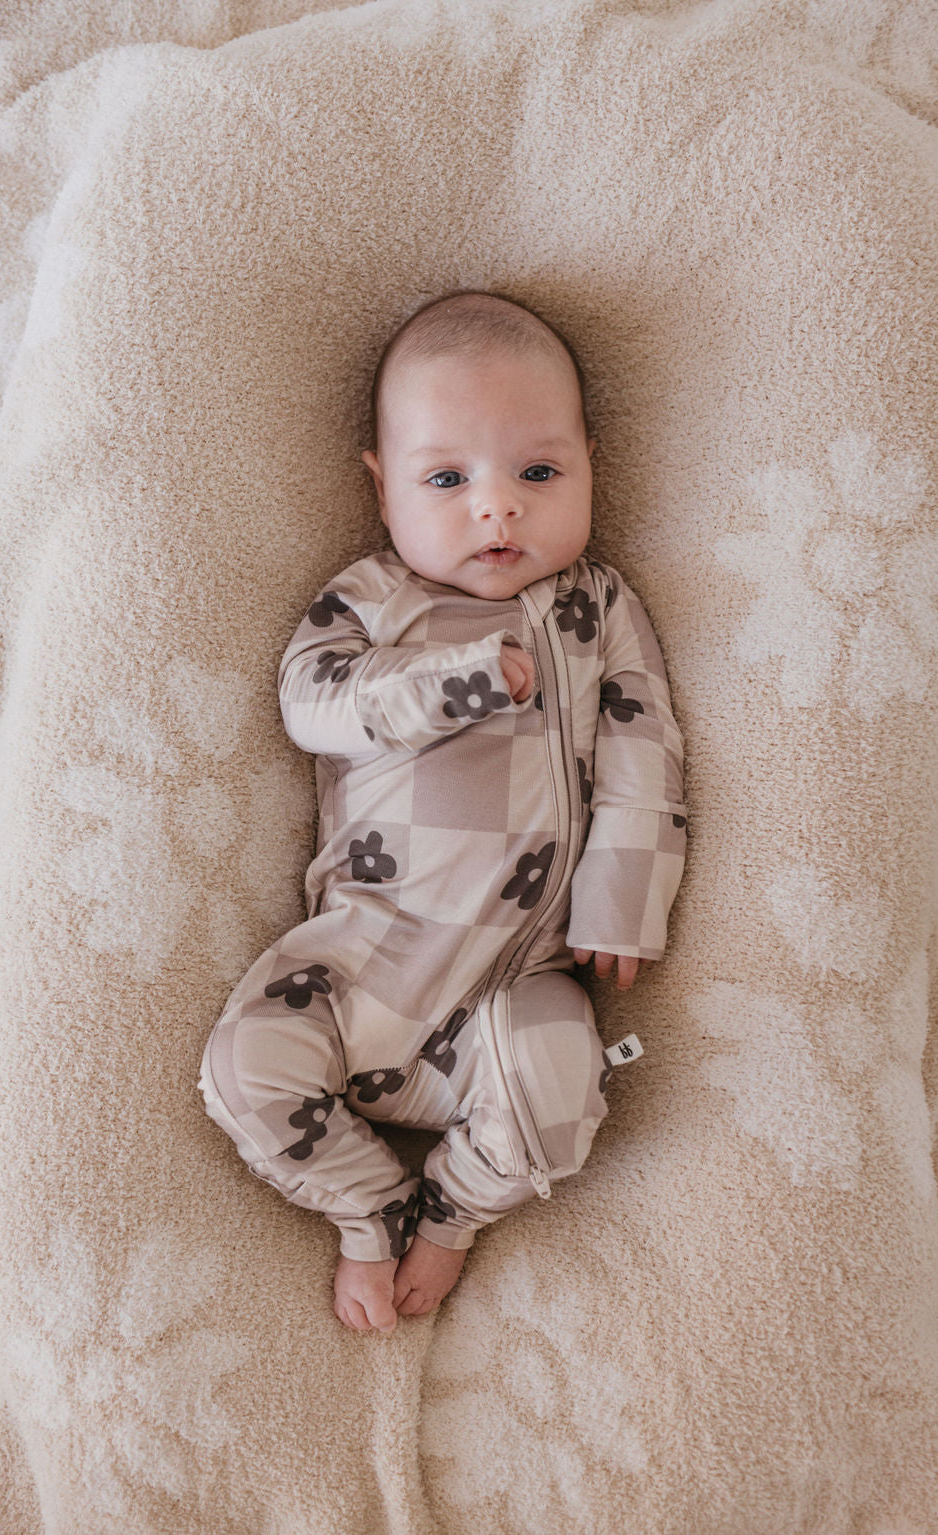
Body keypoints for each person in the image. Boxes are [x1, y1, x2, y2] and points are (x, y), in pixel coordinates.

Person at [199, 291, 687, 1335]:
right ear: (382, 489)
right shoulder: (372, 598)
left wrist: (620, 898)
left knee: (561, 1089)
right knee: (244, 1063)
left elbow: (647, 749)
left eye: (540, 473)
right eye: (447, 479)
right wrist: (457, 682)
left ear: (591, 462)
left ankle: (452, 1213)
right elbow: (313, 707)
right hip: (362, 953)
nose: (497, 510)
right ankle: (364, 1203)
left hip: (515, 981)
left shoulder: (594, 607)